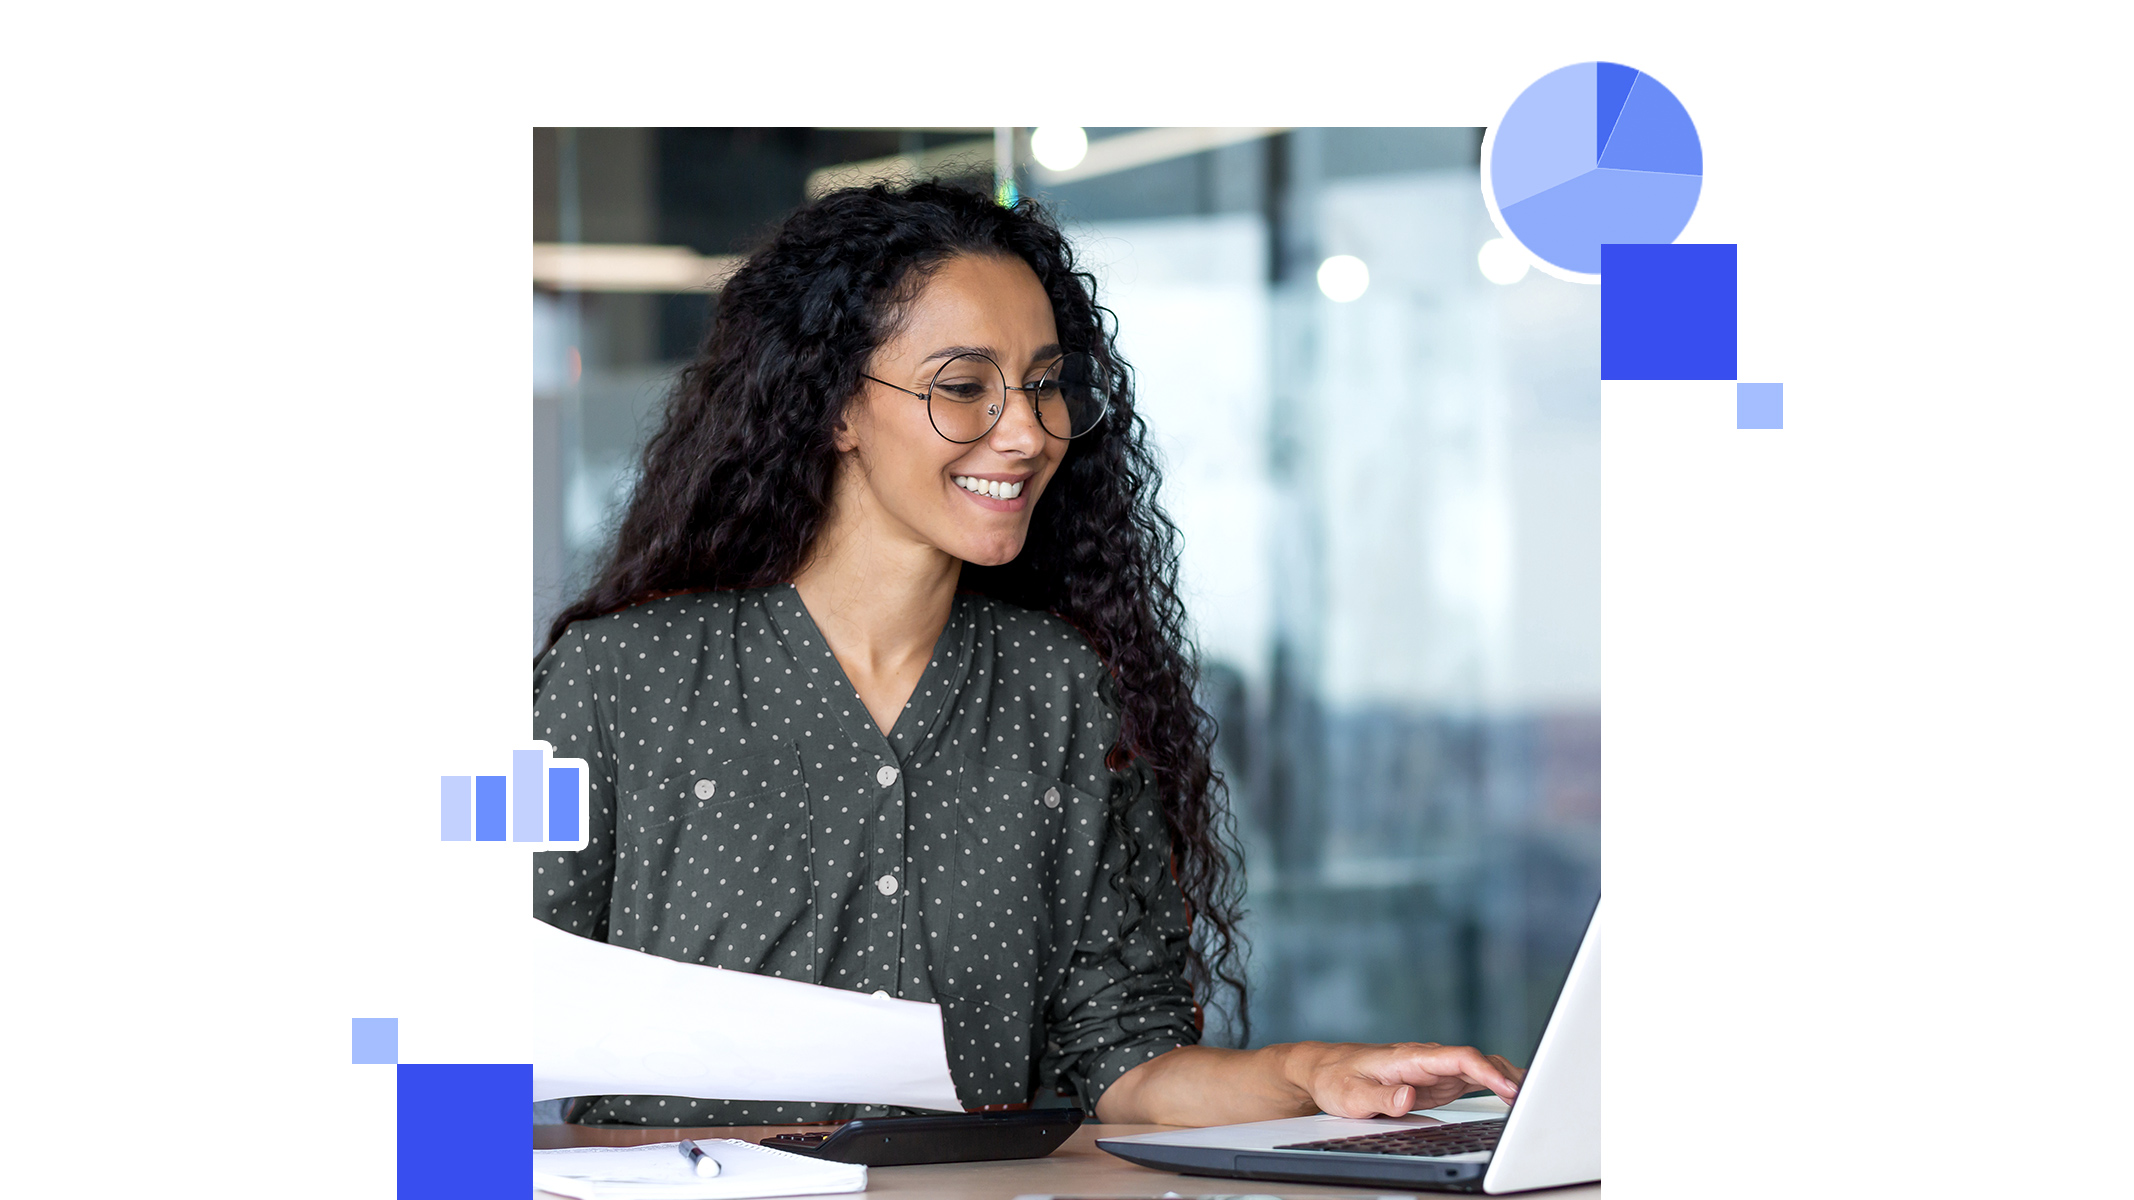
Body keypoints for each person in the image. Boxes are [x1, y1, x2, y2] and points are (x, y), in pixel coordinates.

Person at [532, 180, 1524, 1128]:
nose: (1026, 432)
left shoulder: (1067, 689)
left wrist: (1315, 1073)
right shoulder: (607, 679)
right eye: (963, 388)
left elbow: (1126, 1059)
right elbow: (467, 994)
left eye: (1044, 387)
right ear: (831, 406)